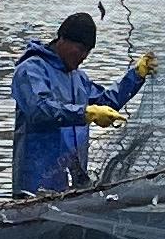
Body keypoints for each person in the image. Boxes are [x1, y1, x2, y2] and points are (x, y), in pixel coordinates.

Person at [10, 14, 154, 198]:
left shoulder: (78, 78)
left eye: (88, 51)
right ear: (61, 39)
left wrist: (136, 75)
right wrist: (85, 113)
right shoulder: (31, 69)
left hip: (73, 181)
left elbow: (105, 103)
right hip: (36, 181)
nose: (83, 56)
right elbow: (38, 109)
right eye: (80, 49)